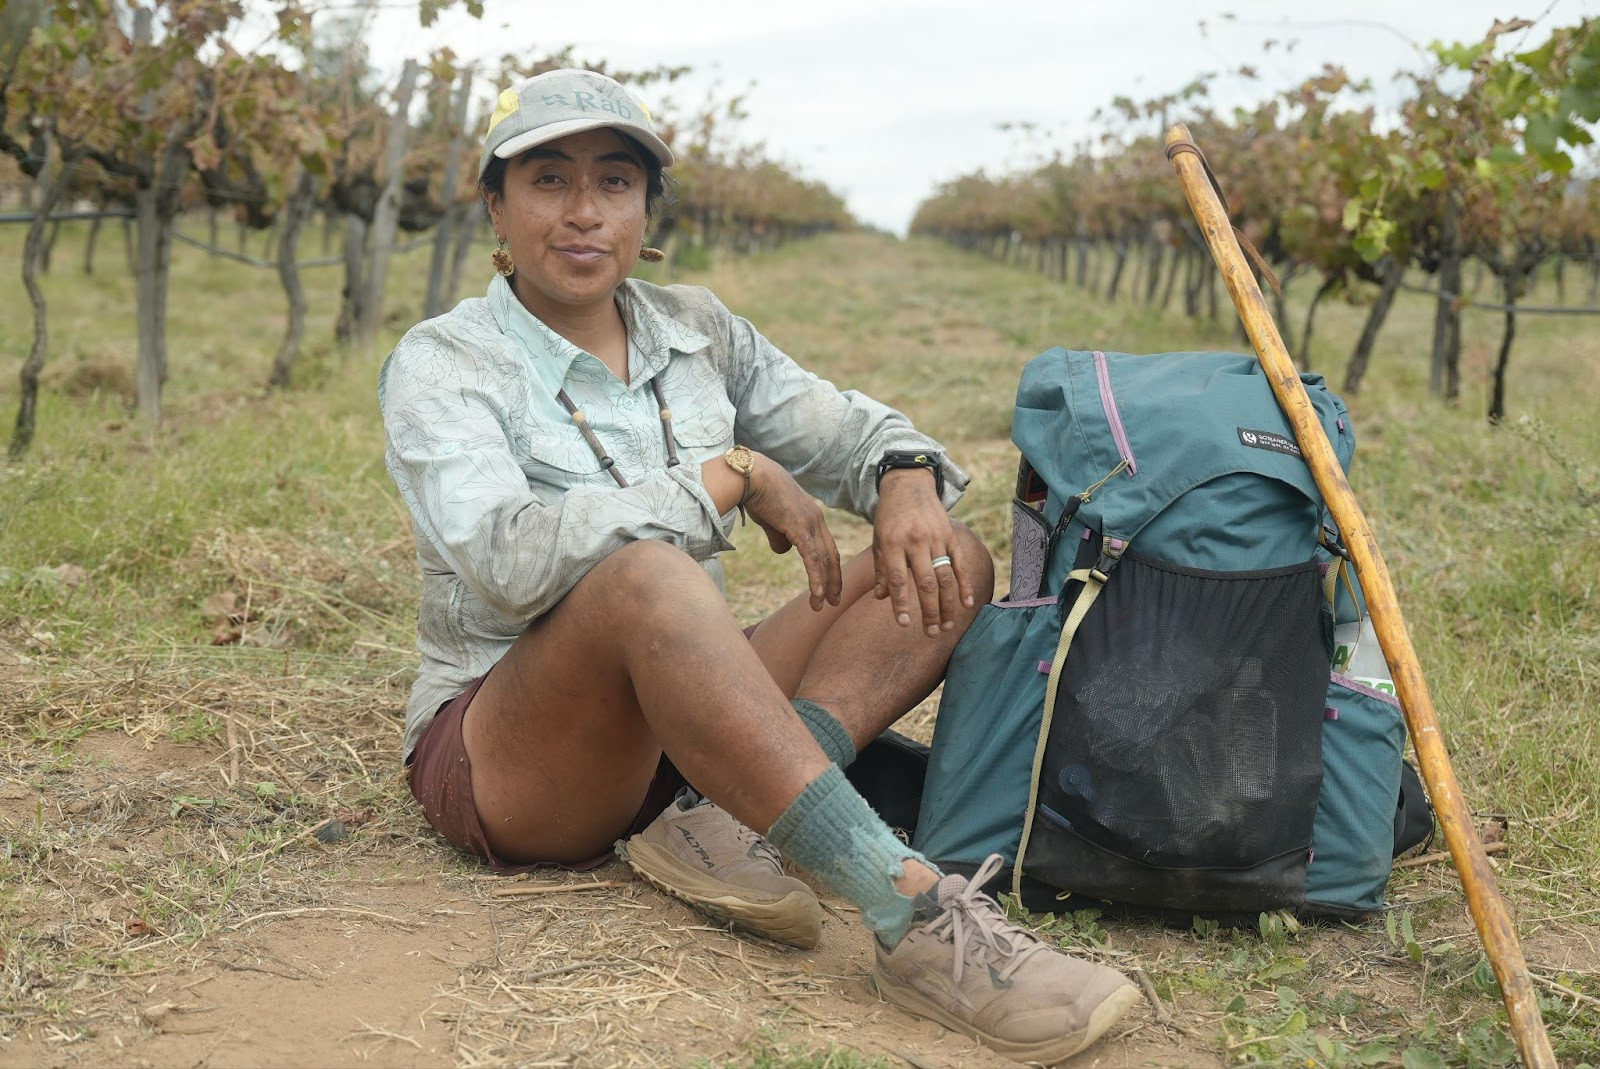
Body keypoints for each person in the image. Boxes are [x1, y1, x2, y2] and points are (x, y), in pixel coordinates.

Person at [378, 68, 1138, 1063]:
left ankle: (723, 818)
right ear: (496, 203)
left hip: (678, 720)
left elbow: (846, 427)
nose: (582, 212)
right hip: (515, 753)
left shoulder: (694, 328)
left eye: (613, 182)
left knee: (945, 552)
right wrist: (724, 477)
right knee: (651, 576)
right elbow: (502, 561)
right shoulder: (445, 360)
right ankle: (912, 916)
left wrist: (904, 478)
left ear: (647, 207)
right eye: (548, 181)